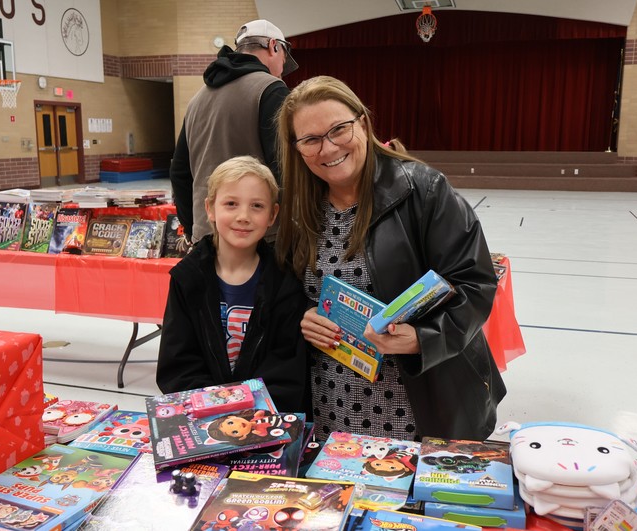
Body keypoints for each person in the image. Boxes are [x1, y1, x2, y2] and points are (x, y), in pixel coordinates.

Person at [275, 76, 506, 442]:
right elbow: (286, 293)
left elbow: (475, 284)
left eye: (339, 129)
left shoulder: (424, 190)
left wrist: (422, 338)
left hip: (419, 402)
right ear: (297, 148)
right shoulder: (299, 208)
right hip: (330, 400)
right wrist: (303, 316)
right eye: (311, 139)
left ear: (363, 124)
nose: (328, 147)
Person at [157, 156, 309, 413]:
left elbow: (286, 368)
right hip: (204, 417)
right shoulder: (188, 279)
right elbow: (178, 363)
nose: (243, 216)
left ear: (273, 214)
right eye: (231, 204)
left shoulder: (285, 281)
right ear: (210, 209)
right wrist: (215, 407)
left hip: (265, 419)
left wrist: (252, 410)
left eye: (257, 206)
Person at [169, 19, 298, 245]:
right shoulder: (270, 90)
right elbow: (284, 168)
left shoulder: (197, 99)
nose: (282, 69)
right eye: (283, 58)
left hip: (207, 234)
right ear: (273, 46)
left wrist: (192, 228)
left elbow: (179, 171)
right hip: (259, 238)